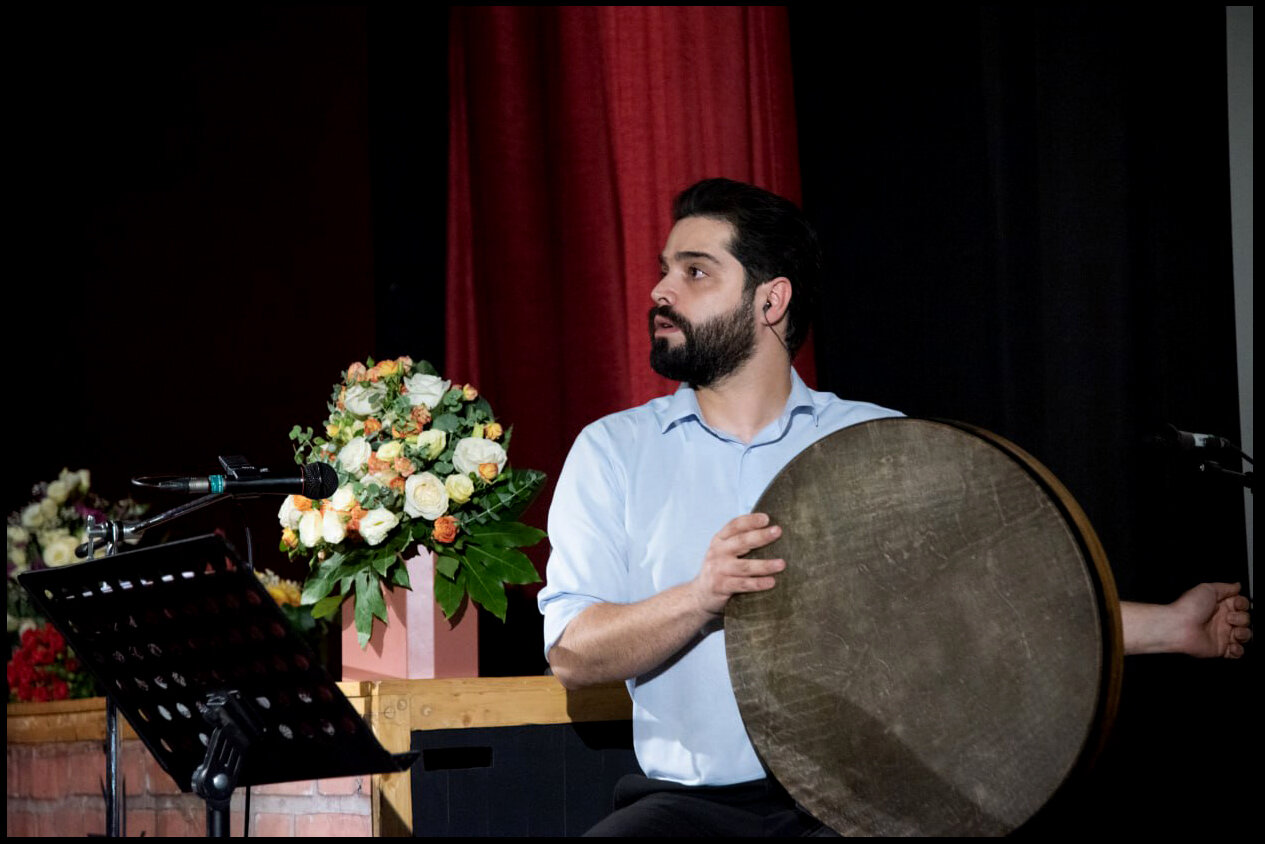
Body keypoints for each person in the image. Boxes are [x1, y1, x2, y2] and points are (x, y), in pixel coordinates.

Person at [537, 178, 1252, 836]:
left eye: (693, 271)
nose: (661, 289)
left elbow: (989, 608)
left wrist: (1169, 627)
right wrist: (701, 596)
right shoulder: (615, 451)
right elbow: (572, 652)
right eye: (664, 269)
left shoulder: (873, 442)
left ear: (770, 299)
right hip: (685, 809)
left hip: (863, 805)